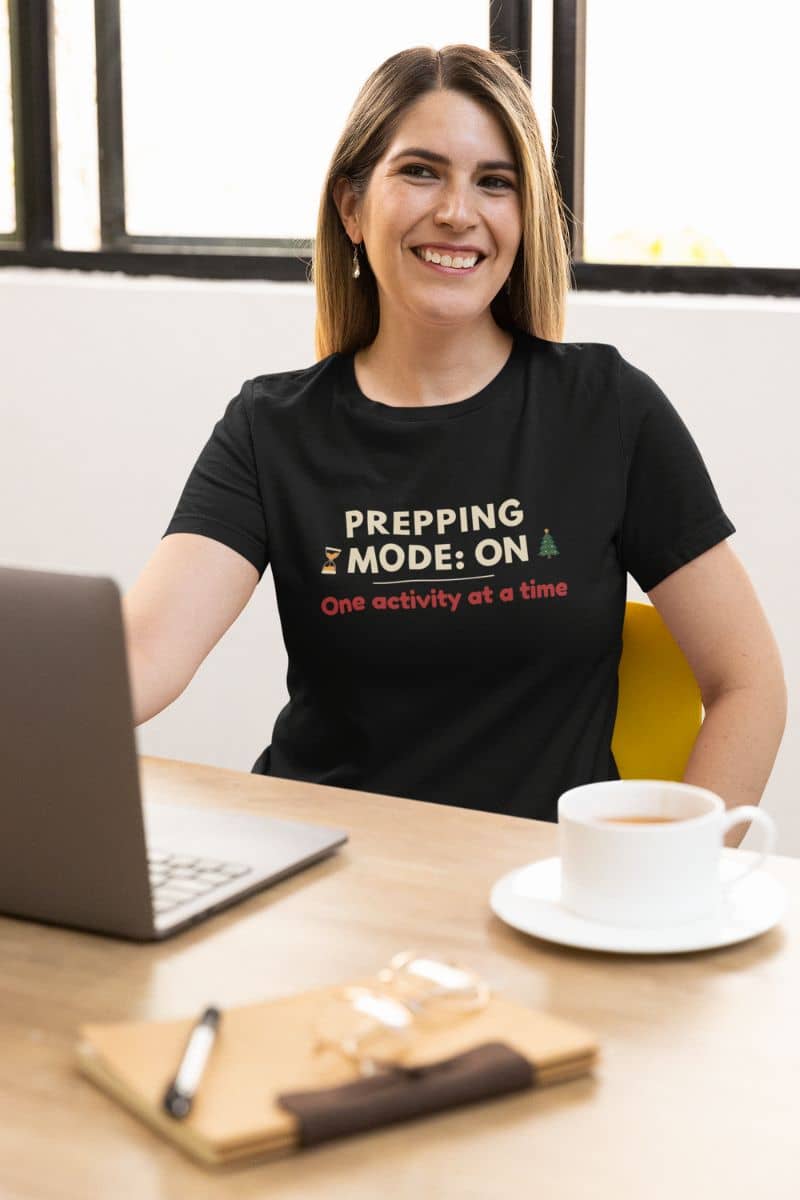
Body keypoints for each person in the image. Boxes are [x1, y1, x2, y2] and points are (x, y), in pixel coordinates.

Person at [123, 44, 786, 841]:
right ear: (350, 207)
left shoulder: (606, 409)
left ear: (523, 215)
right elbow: (139, 659)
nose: (458, 212)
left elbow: (749, 682)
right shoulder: (272, 427)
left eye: (494, 182)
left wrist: (681, 875)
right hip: (323, 882)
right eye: (421, 172)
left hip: (541, 895)